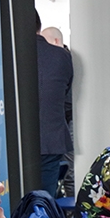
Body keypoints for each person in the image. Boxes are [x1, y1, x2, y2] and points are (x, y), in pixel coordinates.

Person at [36, 13, 75, 199]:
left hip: (11, 143)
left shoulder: (6, 53)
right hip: (52, 139)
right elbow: (67, 100)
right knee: (44, 199)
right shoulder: (62, 56)